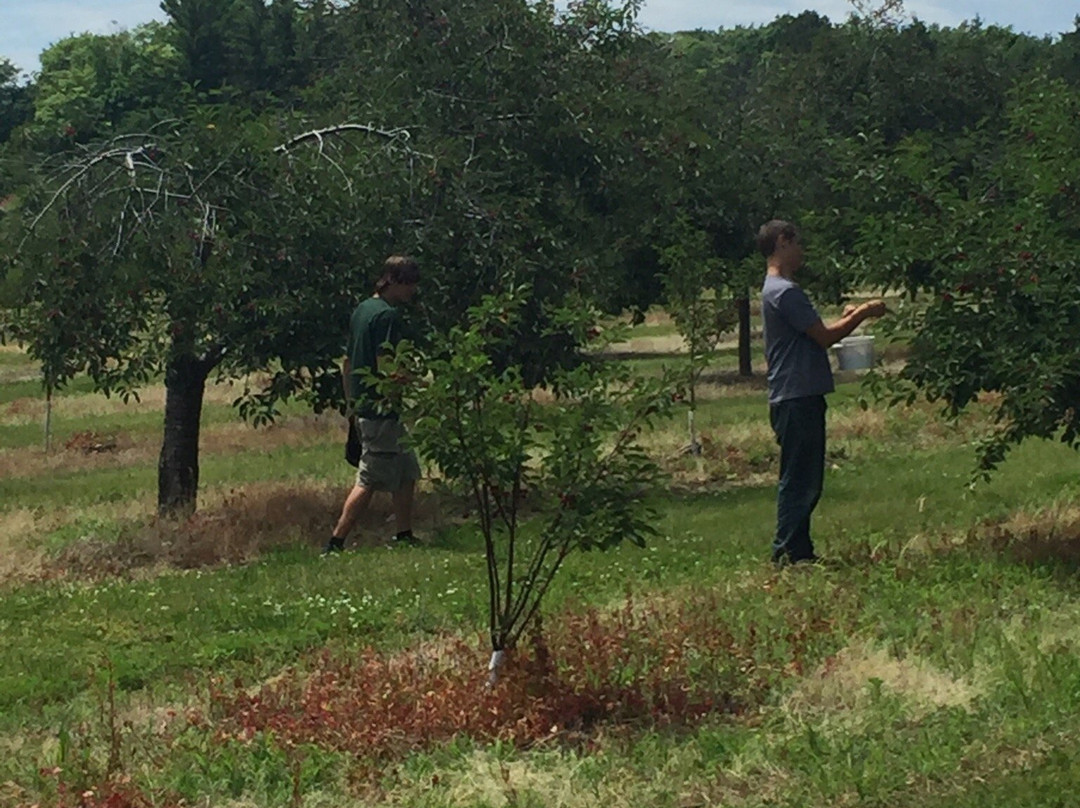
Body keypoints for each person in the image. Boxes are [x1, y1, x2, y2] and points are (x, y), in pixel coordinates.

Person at [758, 220, 886, 566]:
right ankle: (786, 552)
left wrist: (843, 318)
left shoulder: (775, 290)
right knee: (800, 479)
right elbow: (825, 338)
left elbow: (813, 331)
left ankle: (800, 551)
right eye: (798, 244)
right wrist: (863, 313)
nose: (802, 252)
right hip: (797, 396)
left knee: (802, 476)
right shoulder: (785, 291)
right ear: (783, 242)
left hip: (794, 393)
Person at [324, 255, 423, 554]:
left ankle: (404, 533)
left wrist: (350, 403)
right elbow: (386, 364)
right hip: (380, 409)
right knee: (369, 477)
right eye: (409, 285)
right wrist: (414, 385)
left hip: (365, 405)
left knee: (407, 469)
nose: (412, 292)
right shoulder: (387, 317)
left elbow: (348, 362)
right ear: (394, 281)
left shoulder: (362, 310)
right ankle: (336, 542)